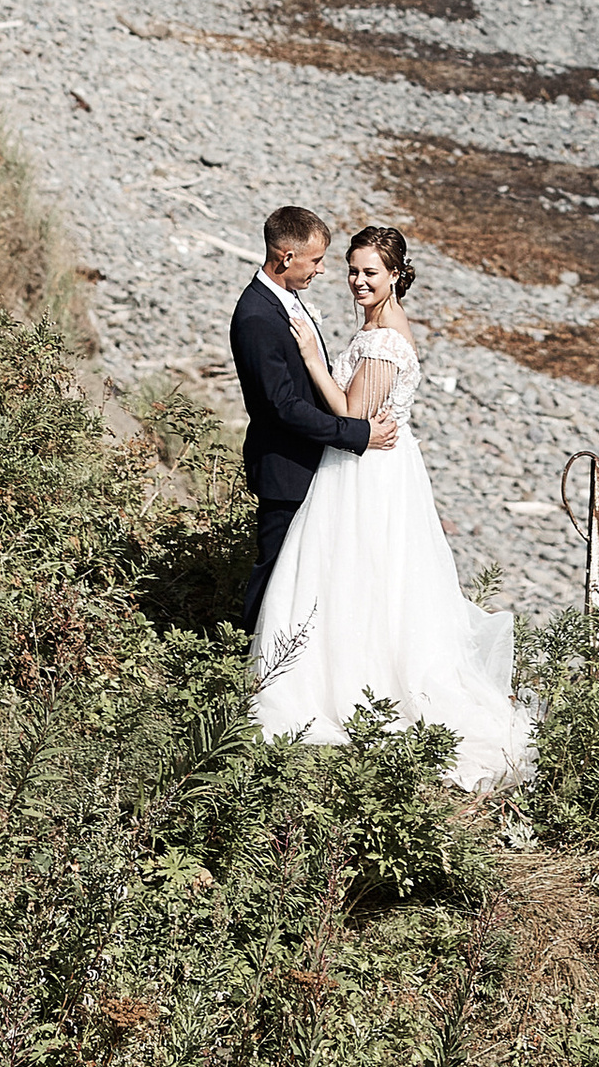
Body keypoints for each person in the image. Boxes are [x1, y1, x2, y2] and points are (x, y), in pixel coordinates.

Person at [246, 221, 534, 791]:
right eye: (352, 270)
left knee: (353, 572)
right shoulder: (376, 326)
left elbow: (353, 414)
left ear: (398, 275)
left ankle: (352, 684)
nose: (355, 280)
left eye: (369, 272)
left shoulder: (384, 340)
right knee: (361, 577)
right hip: (374, 466)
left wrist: (310, 360)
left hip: (367, 470)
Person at [228, 202, 398, 636]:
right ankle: (247, 669)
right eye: (317, 260)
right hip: (286, 466)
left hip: (312, 463)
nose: (322, 271)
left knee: (305, 577)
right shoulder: (257, 317)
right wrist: (357, 433)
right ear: (286, 257)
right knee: (275, 576)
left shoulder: (287, 300)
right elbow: (283, 407)